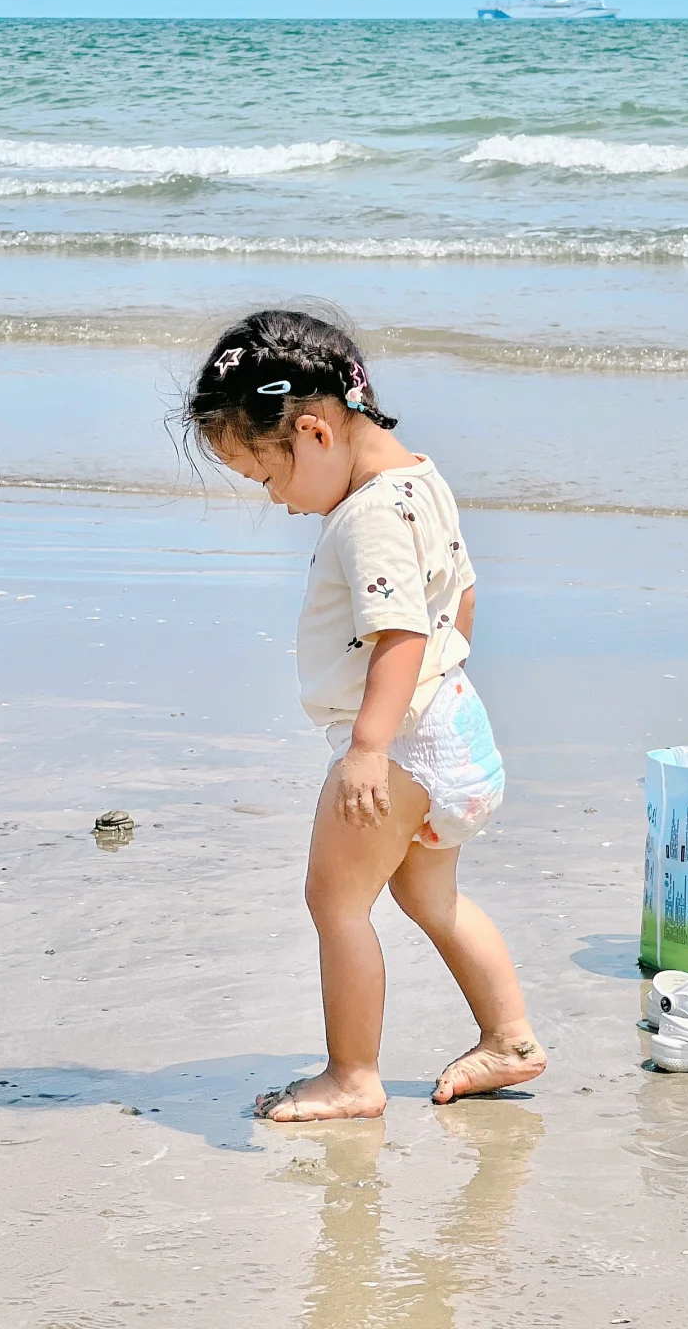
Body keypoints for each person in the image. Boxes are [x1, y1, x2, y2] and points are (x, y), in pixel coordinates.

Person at [183, 309, 545, 1121]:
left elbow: (400, 631)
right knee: (433, 901)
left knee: (335, 903)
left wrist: (368, 749)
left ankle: (353, 1074)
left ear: (314, 431)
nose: (279, 504)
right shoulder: (420, 477)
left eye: (268, 479)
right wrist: (433, 700)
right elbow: (464, 595)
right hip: (452, 726)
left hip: (402, 744)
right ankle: (510, 1038)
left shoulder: (369, 516)